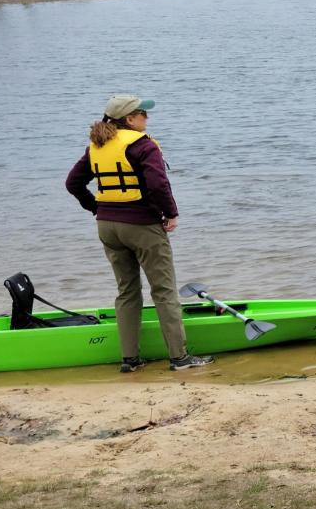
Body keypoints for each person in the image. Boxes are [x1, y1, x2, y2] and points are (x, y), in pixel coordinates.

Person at [64, 94, 213, 372]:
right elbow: (158, 185)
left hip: (108, 227)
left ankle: (130, 360)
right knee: (164, 290)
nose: (147, 118)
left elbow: (73, 183)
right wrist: (171, 214)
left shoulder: (96, 146)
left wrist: (97, 207)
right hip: (142, 225)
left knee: (127, 291)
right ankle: (180, 358)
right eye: (143, 114)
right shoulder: (143, 146)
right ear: (129, 119)